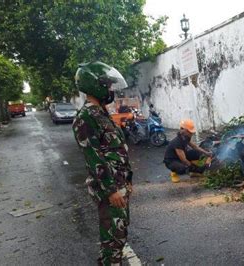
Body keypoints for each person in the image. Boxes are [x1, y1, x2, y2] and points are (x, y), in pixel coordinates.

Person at [72, 61, 133, 265]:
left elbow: (116, 150)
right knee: (113, 237)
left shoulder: (101, 113)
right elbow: (94, 158)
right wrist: (111, 190)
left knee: (120, 232)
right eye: (106, 85)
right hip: (110, 189)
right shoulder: (86, 117)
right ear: (93, 85)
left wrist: (128, 180)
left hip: (119, 184)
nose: (109, 89)